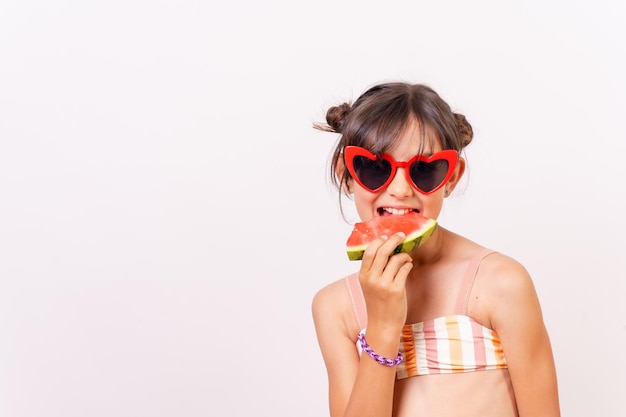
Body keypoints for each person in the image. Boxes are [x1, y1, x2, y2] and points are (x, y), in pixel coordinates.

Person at [311, 82, 561, 417]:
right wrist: (383, 327)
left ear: (452, 177)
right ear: (347, 174)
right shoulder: (336, 308)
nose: (399, 190)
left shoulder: (502, 283)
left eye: (424, 170)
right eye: (375, 167)